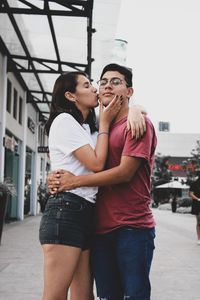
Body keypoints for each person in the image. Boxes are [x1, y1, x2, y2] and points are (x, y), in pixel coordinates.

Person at [49, 63, 157, 300]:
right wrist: (57, 175)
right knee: (106, 296)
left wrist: (74, 182)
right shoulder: (97, 130)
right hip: (99, 227)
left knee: (134, 295)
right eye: (103, 81)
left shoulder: (137, 124)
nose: (107, 85)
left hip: (132, 226)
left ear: (129, 91)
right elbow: (77, 159)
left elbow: (124, 173)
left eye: (116, 81)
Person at [189, 175, 200, 245]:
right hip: (197, 204)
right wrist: (198, 199)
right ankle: (199, 238)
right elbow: (191, 194)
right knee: (199, 221)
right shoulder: (194, 183)